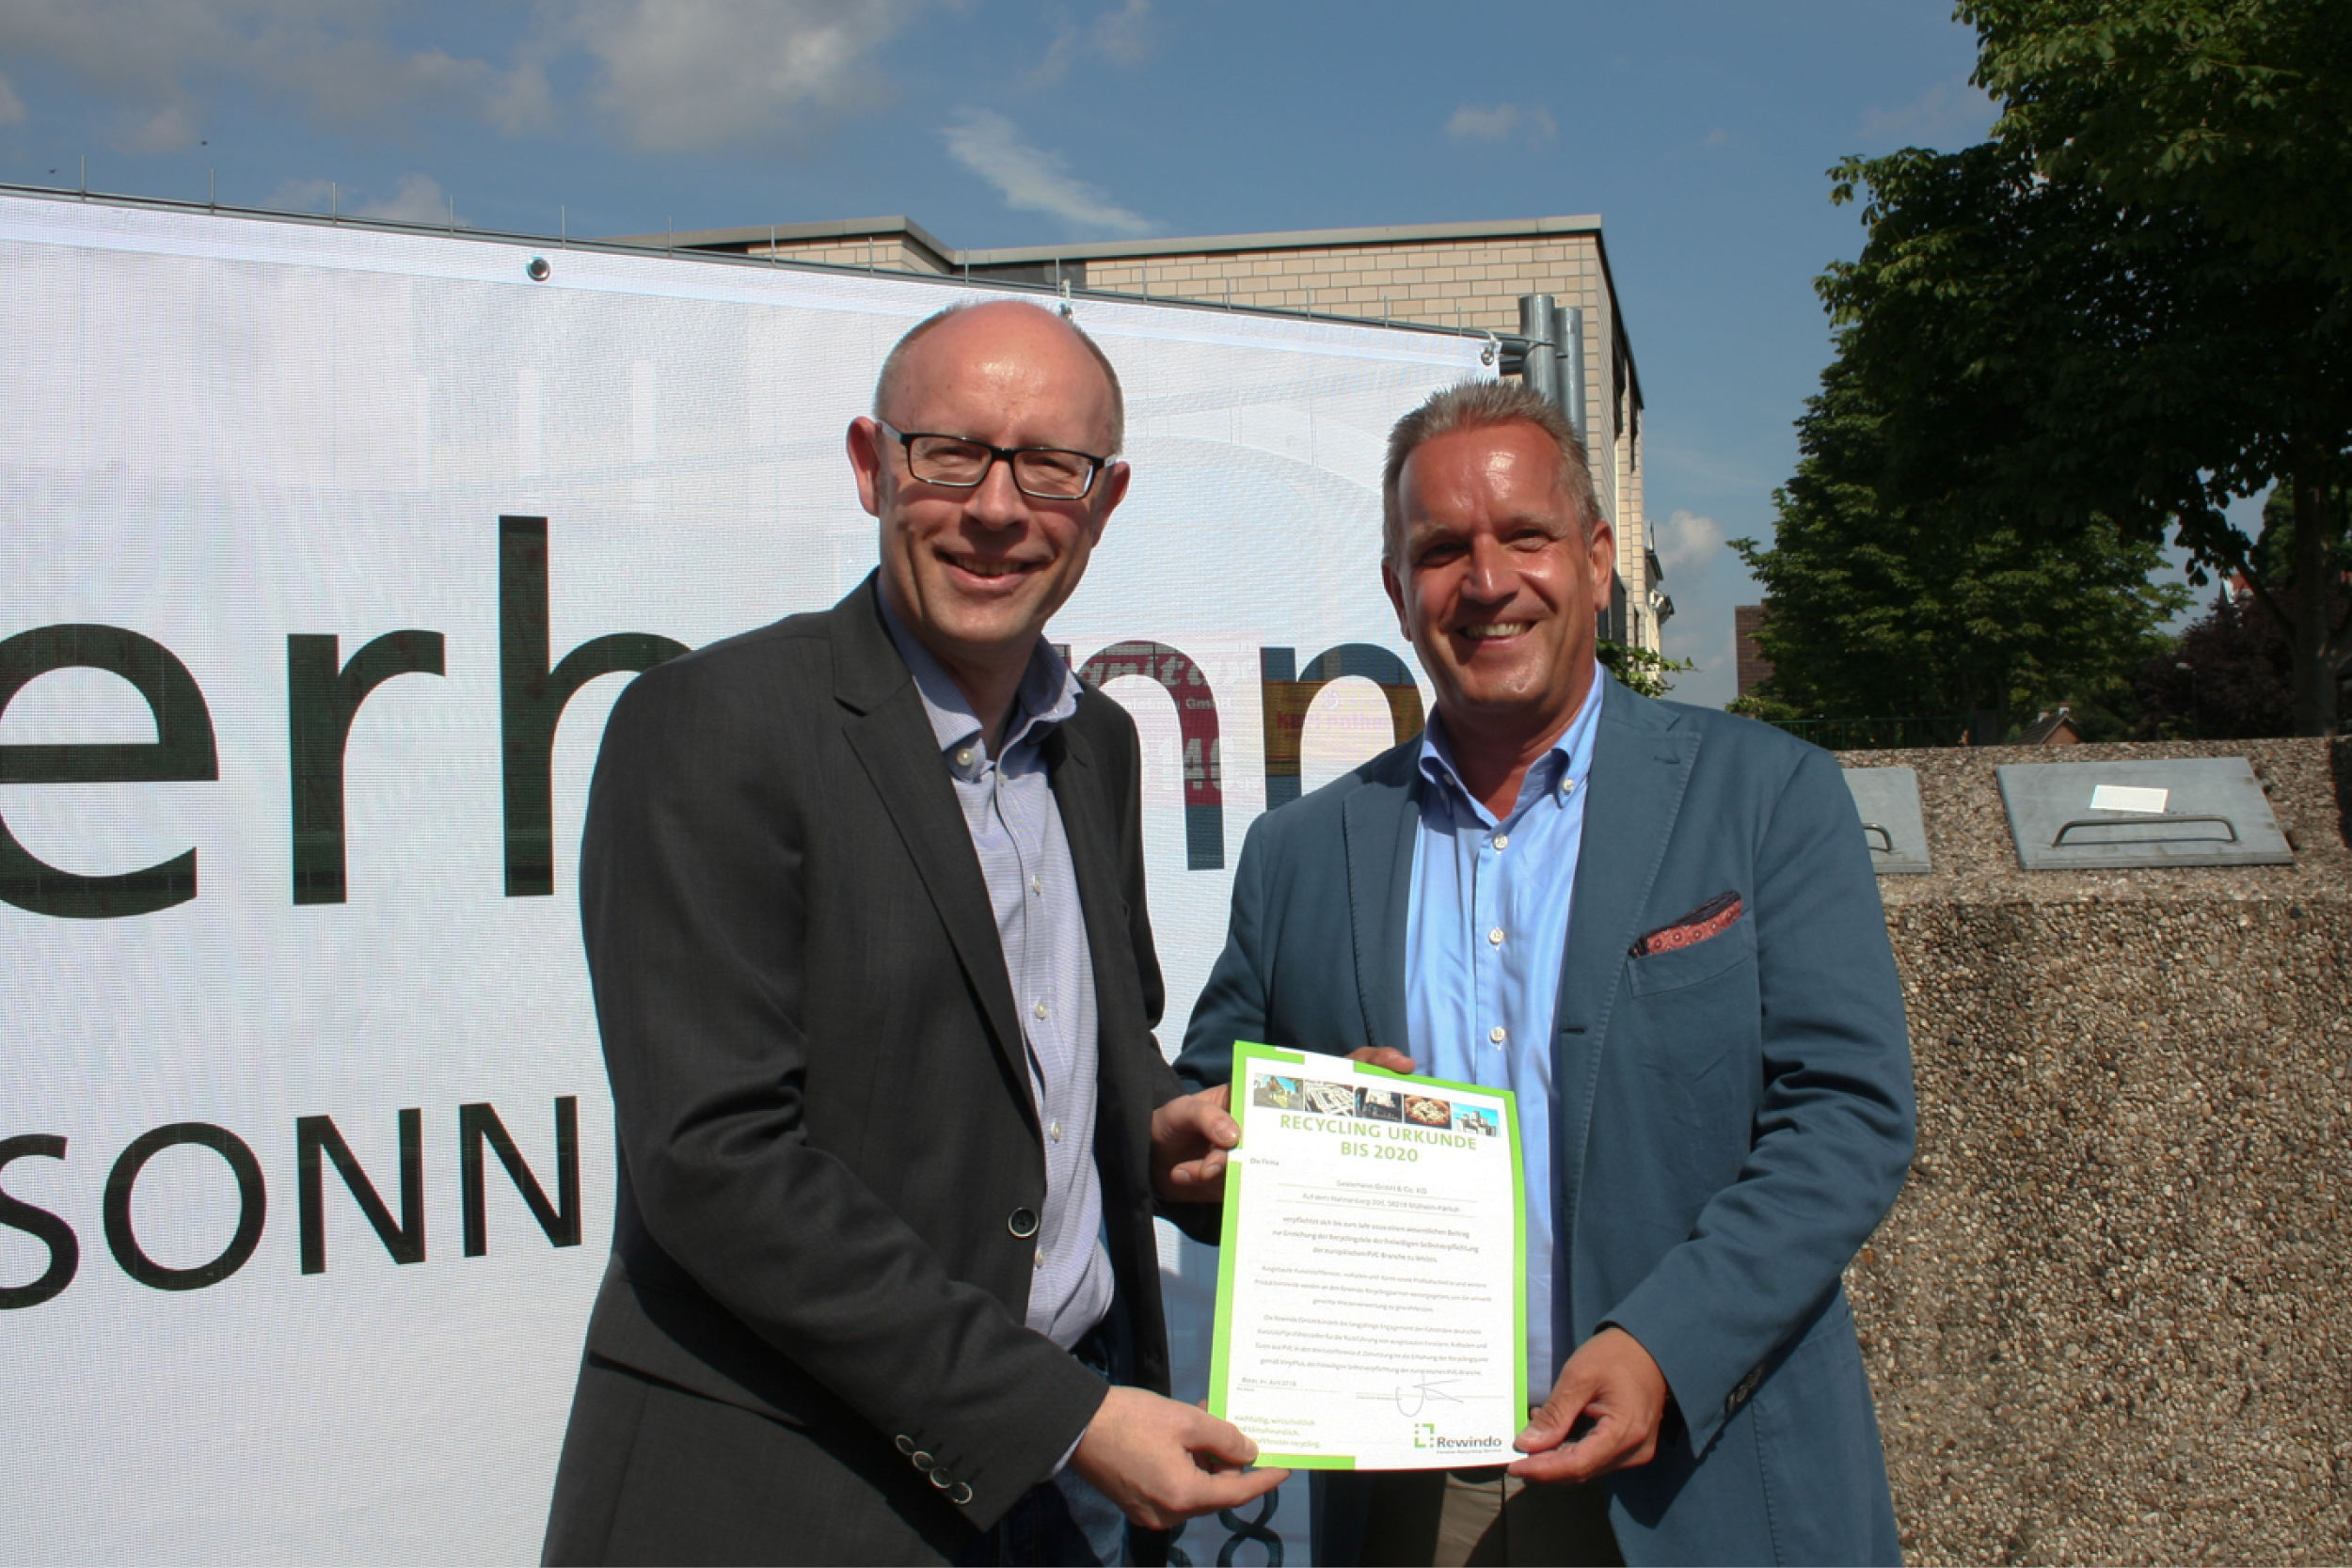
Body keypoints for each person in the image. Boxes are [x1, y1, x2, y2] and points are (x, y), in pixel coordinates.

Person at [543, 298, 1282, 1567]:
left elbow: (1081, 1060)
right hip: (795, 1499)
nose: (996, 508)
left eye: (1048, 466)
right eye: (951, 453)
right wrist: (1059, 1417)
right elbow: (715, 1160)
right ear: (870, 464)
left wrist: (1168, 1129)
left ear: (1103, 502)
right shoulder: (713, 721)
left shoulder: (1095, 743)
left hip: (1066, 1501)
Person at [1175, 380, 1914, 1566]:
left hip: (1705, 1471)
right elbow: (1202, 1120)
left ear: (1597, 558)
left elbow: (1847, 1114)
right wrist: (1228, 1145)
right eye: (1440, 550)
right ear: (1395, 589)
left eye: (1524, 534)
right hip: (1412, 1500)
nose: (1486, 581)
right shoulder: (1299, 853)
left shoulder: (1766, 794)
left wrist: (1665, 1343)